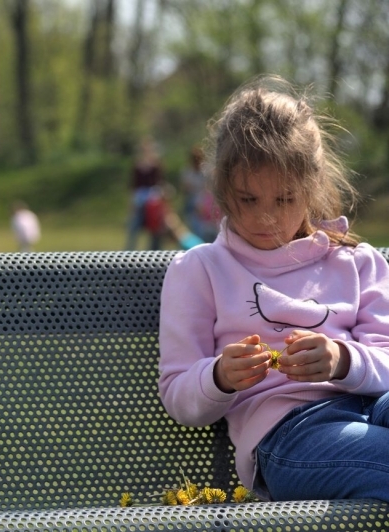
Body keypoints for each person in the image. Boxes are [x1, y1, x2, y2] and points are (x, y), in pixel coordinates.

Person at [158, 74, 389, 503]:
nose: (267, 218)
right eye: (249, 200)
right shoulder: (202, 270)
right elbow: (177, 393)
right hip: (290, 434)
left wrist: (342, 360)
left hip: (376, 405)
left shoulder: (357, 261)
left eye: (284, 200)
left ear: (312, 186)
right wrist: (220, 376)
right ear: (224, 192)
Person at [125, 137, 164, 250]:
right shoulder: (137, 166)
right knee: (134, 224)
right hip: (140, 198)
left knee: (156, 224)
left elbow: (160, 183)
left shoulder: (156, 166)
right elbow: (134, 186)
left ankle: (155, 248)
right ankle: (129, 249)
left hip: (153, 198)